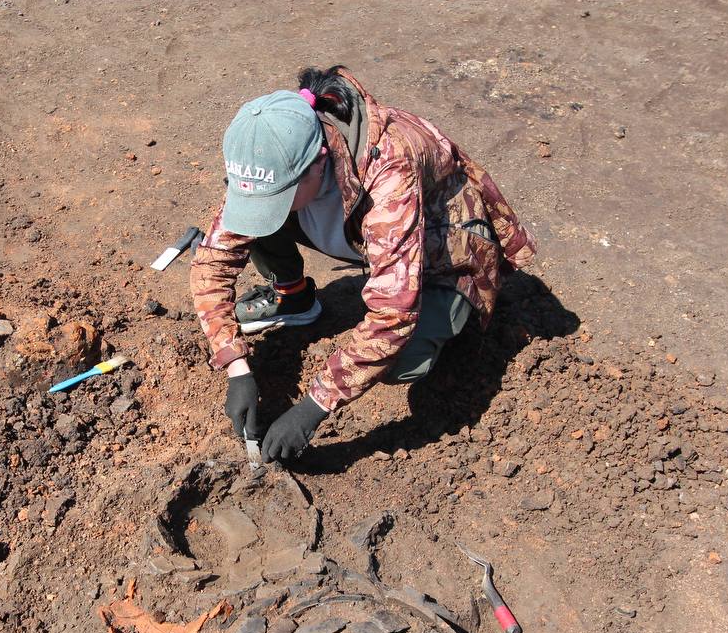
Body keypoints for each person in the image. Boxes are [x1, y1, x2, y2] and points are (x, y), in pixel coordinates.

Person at [189, 66, 537, 463]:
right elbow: (212, 261)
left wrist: (314, 406)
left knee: (403, 359)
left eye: (279, 195)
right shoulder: (273, 148)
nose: (267, 205)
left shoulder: (390, 170)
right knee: (257, 221)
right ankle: (295, 298)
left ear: (319, 162)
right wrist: (235, 364)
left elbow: (393, 316)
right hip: (361, 231)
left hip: (443, 249)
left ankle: (454, 319)